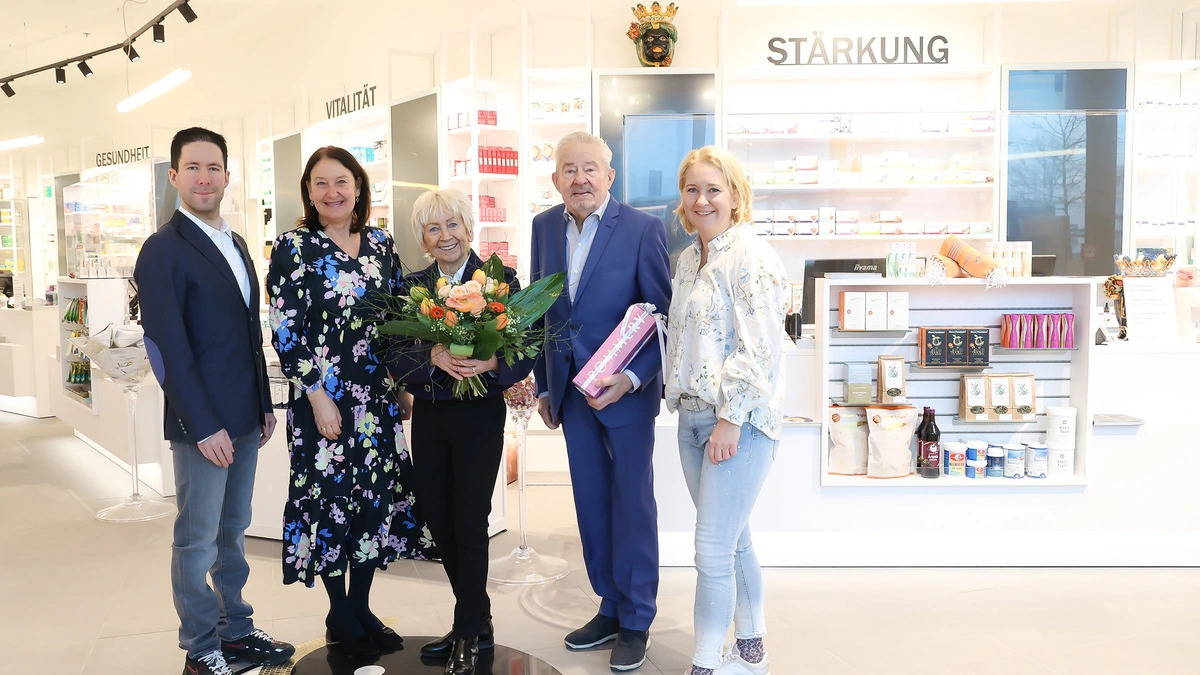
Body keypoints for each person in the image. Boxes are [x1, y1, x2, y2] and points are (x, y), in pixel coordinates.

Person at [136, 127, 295, 675]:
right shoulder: (163, 249)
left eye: (214, 168)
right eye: (193, 168)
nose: (204, 178)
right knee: (197, 538)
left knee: (233, 530)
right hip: (202, 423)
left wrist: (263, 404)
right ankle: (201, 646)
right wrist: (203, 425)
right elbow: (166, 348)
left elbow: (248, 332)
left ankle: (237, 630)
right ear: (174, 176)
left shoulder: (237, 242)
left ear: (227, 176)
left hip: (245, 416)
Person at [267, 146, 435, 659]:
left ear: (358, 186)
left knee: (373, 501)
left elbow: (400, 318)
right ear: (308, 192)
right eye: (320, 183)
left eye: (341, 181)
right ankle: (339, 610)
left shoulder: (381, 244)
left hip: (376, 398)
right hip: (323, 400)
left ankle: (360, 606)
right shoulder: (294, 246)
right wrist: (317, 396)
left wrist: (403, 383)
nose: (332, 192)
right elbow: (284, 329)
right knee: (330, 501)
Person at [529, 131, 672, 672]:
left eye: (590, 168)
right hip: (571, 394)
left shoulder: (642, 229)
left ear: (610, 176)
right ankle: (609, 606)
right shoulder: (544, 227)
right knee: (591, 503)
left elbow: (661, 317)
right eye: (569, 169)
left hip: (624, 394)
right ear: (555, 179)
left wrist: (633, 378)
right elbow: (541, 310)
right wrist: (545, 384)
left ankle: (637, 618)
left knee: (632, 503)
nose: (580, 178)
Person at [386, 188, 535, 675]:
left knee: (470, 520)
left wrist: (491, 362)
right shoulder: (413, 288)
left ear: (469, 228)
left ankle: (467, 631)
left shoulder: (500, 281)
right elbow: (392, 354)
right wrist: (431, 356)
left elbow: (528, 346)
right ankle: (477, 618)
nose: (445, 235)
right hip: (431, 415)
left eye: (452, 224)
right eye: (433, 228)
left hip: (479, 416)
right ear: (423, 240)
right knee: (438, 517)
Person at [664, 147, 787, 675]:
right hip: (692, 418)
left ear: (736, 196)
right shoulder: (688, 260)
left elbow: (760, 348)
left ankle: (706, 664)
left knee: (711, 550)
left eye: (714, 189)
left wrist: (730, 420)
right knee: (733, 541)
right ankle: (752, 650)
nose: (702, 200)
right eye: (692, 189)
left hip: (739, 423)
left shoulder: (752, 256)